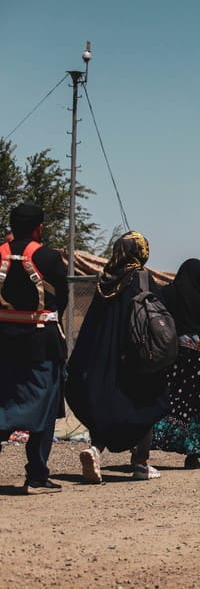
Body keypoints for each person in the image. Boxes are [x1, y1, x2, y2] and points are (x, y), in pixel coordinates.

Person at [67, 231, 171, 483]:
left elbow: (93, 322)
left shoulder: (105, 280)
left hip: (104, 356)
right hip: (135, 354)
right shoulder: (141, 278)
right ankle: (141, 463)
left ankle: (95, 450)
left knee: (108, 405)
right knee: (147, 402)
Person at [0, 203, 68, 494]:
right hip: (41, 343)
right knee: (44, 405)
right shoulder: (49, 258)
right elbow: (62, 297)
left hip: (4, 341)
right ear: (39, 228)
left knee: (4, 401)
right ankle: (37, 474)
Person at [151, 259, 200, 469]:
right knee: (192, 402)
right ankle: (192, 454)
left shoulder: (167, 292)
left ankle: (146, 447)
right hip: (194, 357)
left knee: (164, 396)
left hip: (170, 354)